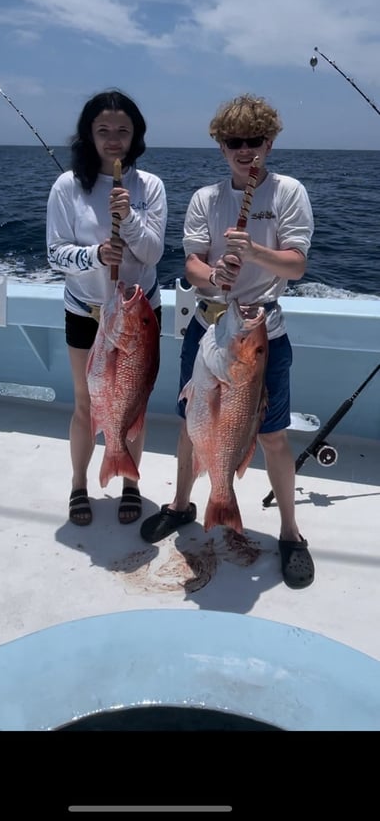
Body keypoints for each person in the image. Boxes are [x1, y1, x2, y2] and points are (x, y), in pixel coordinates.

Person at [140, 93, 315, 589]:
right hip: (208, 329)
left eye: (254, 141)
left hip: (260, 336)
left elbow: (297, 264)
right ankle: (180, 504)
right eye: (234, 142)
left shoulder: (287, 193)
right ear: (220, 146)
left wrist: (255, 252)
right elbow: (191, 264)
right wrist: (213, 273)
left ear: (270, 142)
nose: (245, 151)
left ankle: (290, 532)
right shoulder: (206, 199)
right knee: (190, 422)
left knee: (273, 435)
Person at [47, 89, 167, 527]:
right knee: (86, 403)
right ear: (89, 135)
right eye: (103, 130)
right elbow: (54, 253)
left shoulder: (148, 186)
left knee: (133, 403)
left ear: (135, 136)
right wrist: (96, 255)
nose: (113, 139)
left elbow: (152, 253)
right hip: (87, 310)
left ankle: (130, 482)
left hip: (139, 314)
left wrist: (130, 219)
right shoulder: (67, 187)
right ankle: (80, 483)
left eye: (122, 130)